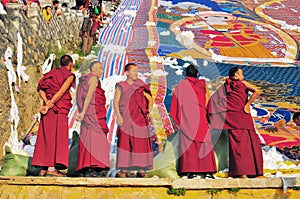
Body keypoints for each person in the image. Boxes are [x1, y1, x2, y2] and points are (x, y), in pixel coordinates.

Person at [207, 67, 264, 178]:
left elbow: (213, 101)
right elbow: (257, 91)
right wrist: (247, 105)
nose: (243, 76)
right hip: (238, 116)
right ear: (235, 75)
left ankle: (247, 173)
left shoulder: (226, 86)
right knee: (248, 145)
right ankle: (251, 173)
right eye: (241, 74)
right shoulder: (240, 83)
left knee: (241, 145)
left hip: (236, 117)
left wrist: (247, 104)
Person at [170, 64, 216, 179]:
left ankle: (190, 171)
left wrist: (178, 118)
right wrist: (209, 116)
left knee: (189, 143)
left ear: (186, 74)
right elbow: (207, 100)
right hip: (200, 115)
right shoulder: (203, 85)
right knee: (204, 142)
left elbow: (176, 104)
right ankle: (208, 171)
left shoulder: (181, 85)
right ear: (197, 74)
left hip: (187, 116)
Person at [32, 55, 75, 177]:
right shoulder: (69, 75)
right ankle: (52, 169)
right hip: (58, 109)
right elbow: (61, 92)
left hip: (47, 110)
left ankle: (43, 169)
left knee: (46, 137)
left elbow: (41, 89)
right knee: (57, 137)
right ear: (70, 65)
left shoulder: (50, 74)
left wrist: (46, 102)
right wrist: (50, 104)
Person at [113, 63, 153, 178]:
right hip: (125, 118)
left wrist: (147, 112)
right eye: (133, 71)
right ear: (126, 73)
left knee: (140, 144)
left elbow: (150, 99)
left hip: (139, 119)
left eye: (137, 71)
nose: (136, 73)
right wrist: (119, 116)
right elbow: (116, 102)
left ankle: (141, 169)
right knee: (125, 143)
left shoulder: (141, 85)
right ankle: (123, 169)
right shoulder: (121, 85)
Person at [75, 61, 110, 177]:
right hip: (93, 114)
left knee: (86, 138)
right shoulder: (94, 79)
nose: (102, 71)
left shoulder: (82, 80)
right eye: (100, 68)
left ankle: (84, 167)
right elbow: (89, 96)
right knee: (98, 139)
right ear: (93, 69)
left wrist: (81, 111)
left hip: (89, 113)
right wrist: (84, 112)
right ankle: (95, 166)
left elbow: (79, 97)